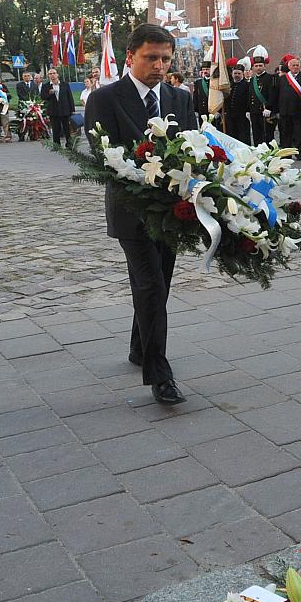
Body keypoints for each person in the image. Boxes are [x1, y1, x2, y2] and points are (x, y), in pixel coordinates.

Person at [85, 23, 196, 405]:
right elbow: (106, 156)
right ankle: (159, 375)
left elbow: (194, 147)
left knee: (158, 285)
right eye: (151, 57)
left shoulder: (181, 99)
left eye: (166, 58)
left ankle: (138, 347)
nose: (160, 65)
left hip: (173, 211)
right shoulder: (104, 99)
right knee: (150, 285)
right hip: (132, 211)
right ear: (131, 56)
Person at [274, 56, 301, 159]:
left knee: (299, 133)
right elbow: (277, 95)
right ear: (289, 66)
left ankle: (300, 153)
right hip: (284, 111)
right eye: (293, 65)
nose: (295, 67)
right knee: (285, 134)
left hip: (298, 111)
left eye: (297, 65)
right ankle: (286, 154)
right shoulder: (282, 79)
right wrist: (276, 110)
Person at [247, 45, 275, 145]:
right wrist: (248, 110)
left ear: (264, 66)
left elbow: (272, 94)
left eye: (260, 65)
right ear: (253, 67)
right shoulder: (252, 81)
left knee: (267, 134)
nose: (258, 68)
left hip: (265, 111)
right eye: (256, 66)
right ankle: (258, 151)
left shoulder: (270, 78)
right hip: (254, 111)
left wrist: (269, 108)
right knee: (256, 133)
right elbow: (249, 96)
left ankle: (269, 153)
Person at [41, 69, 75, 146]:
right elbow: (43, 97)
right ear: (48, 76)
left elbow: (70, 97)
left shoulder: (64, 84)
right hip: (53, 111)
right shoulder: (46, 86)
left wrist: (72, 109)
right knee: (56, 129)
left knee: (67, 129)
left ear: (57, 74)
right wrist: (49, 93)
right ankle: (56, 144)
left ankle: (69, 143)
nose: (52, 75)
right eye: (50, 74)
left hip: (65, 110)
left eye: (54, 73)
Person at [225, 63, 251, 144]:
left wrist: (248, 111)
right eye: (235, 73)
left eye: (239, 73)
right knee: (231, 136)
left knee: (242, 137)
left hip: (242, 116)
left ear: (242, 74)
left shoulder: (247, 85)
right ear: (232, 74)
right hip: (230, 116)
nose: (237, 75)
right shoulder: (229, 85)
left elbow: (249, 99)